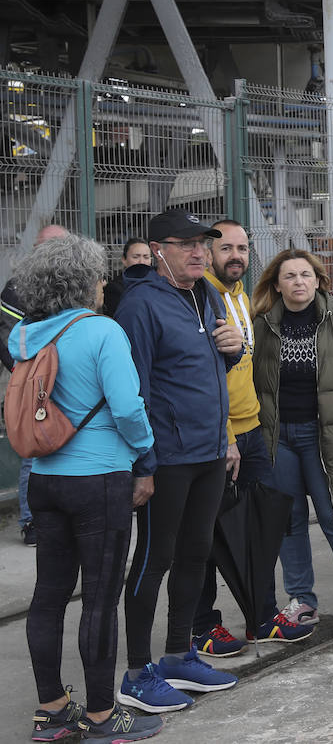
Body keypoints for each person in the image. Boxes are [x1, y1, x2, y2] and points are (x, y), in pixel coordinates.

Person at [12, 235, 164, 743]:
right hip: (99, 480)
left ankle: (52, 710)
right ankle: (102, 716)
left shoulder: (27, 337)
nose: (105, 284)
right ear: (84, 283)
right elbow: (126, 406)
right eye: (100, 276)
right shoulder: (102, 331)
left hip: (45, 480)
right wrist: (145, 452)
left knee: (49, 596)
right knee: (100, 599)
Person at [115, 210, 242, 713]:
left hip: (209, 451)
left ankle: (177, 655)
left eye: (202, 243)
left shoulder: (206, 293)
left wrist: (232, 350)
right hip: (166, 458)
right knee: (153, 559)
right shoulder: (140, 305)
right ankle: (136, 672)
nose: (198, 251)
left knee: (194, 555)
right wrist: (143, 464)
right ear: (158, 249)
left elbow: (210, 361)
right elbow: (134, 389)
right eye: (186, 244)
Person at [192, 220, 313, 657]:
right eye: (226, 248)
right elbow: (203, 379)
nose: (236, 256)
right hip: (219, 437)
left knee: (260, 528)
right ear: (207, 252)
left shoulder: (243, 296)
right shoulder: (200, 298)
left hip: (252, 430)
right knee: (206, 536)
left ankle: (261, 617)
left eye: (243, 247)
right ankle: (201, 624)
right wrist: (224, 437)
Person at [251, 249, 333, 639]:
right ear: (277, 284)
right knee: (288, 522)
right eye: (290, 276)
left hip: (324, 436)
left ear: (318, 280)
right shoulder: (263, 325)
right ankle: (302, 600)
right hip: (278, 438)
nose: (298, 282)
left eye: (306, 275)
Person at [2, 222, 70, 548]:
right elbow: (7, 339)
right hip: (34, 385)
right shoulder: (17, 288)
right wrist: (31, 374)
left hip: (70, 383)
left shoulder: (74, 285)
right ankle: (30, 521)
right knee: (34, 453)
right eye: (49, 245)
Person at [101, 237, 152, 317]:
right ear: (124, 260)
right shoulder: (114, 288)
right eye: (136, 257)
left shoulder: (156, 283)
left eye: (146, 257)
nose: (141, 262)